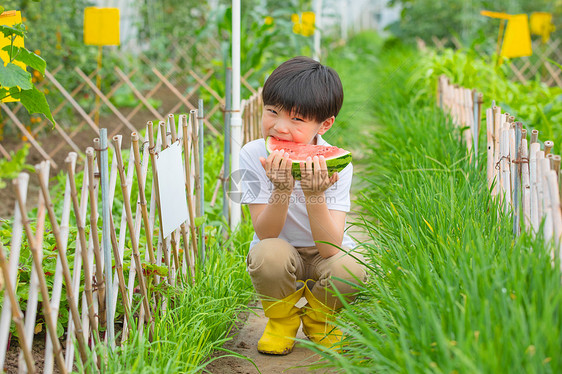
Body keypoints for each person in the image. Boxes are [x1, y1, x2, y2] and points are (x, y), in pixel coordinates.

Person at [239, 56, 366, 355]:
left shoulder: (338, 165)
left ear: (325, 124)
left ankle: (319, 318)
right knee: (267, 254)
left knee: (353, 268)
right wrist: (281, 189)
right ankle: (282, 321)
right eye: (272, 112)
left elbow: (330, 248)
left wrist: (314, 194)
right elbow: (266, 232)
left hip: (324, 254)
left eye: (296, 119)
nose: (280, 127)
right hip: (281, 250)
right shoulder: (252, 154)